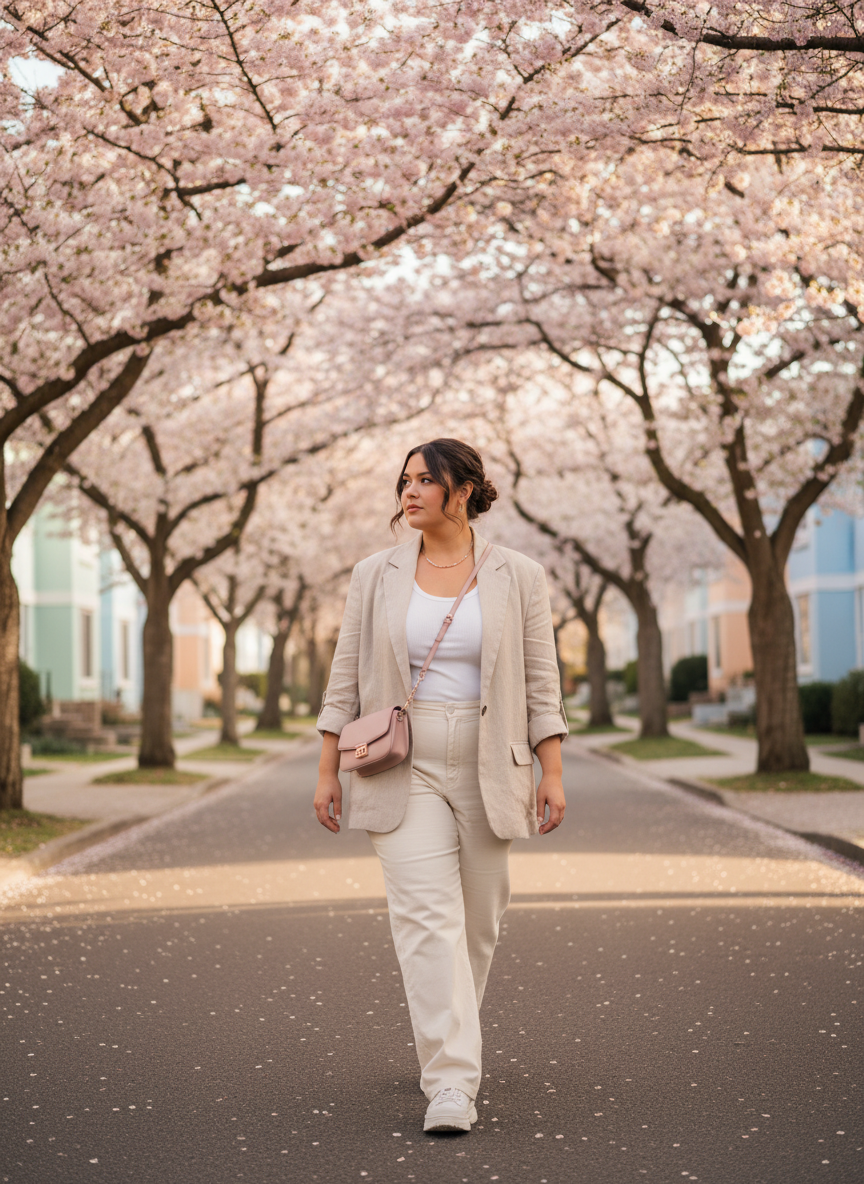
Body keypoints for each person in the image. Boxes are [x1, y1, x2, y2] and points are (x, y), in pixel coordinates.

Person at [314, 438, 567, 1133]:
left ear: (464, 490)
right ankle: (451, 1083)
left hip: (492, 760)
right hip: (404, 760)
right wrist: (327, 765)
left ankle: (450, 1034)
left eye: (427, 479)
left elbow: (541, 681)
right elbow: (345, 674)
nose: (410, 491)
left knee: (476, 925)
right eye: (405, 480)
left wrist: (552, 769)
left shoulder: (520, 574)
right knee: (429, 920)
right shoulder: (376, 573)